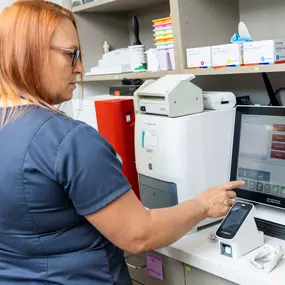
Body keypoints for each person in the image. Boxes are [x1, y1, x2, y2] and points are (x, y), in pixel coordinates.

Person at [0, 1, 244, 284]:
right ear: (30, 53)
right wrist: (202, 205)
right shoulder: (69, 141)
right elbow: (139, 235)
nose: (80, 67)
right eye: (72, 54)